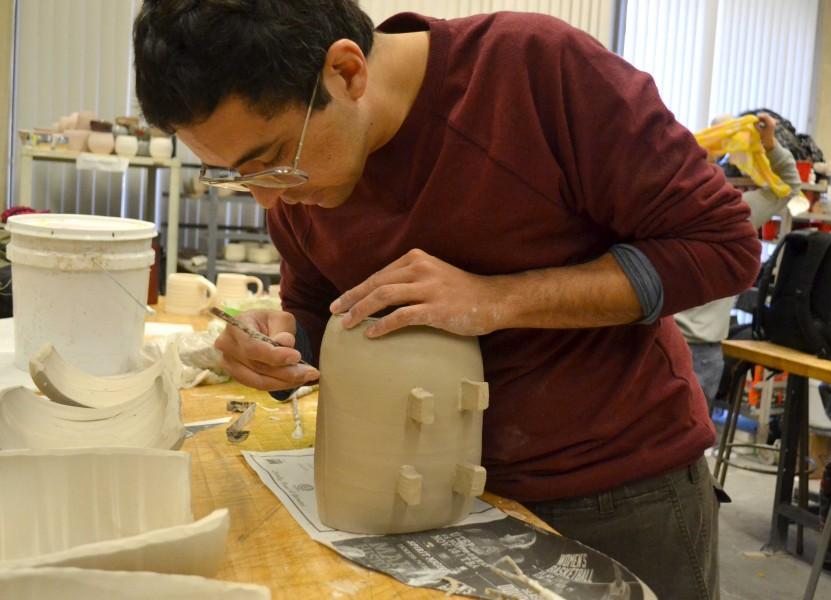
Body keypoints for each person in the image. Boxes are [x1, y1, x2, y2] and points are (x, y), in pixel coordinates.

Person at [133, 2, 760, 597]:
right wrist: (280, 344)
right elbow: (319, 312)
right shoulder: (302, 192)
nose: (267, 200)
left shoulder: (534, 71)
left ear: (347, 72)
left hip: (611, 491)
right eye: (238, 177)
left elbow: (723, 246)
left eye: (270, 162)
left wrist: (498, 300)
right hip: (421, 501)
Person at [675, 113, 802, 409]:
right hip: (700, 350)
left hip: (656, 342)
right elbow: (788, 184)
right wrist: (769, 143)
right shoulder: (734, 213)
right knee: (687, 444)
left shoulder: (658, 211)